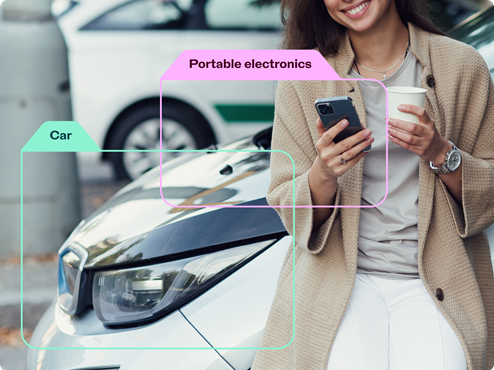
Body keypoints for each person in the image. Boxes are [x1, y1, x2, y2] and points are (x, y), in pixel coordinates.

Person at [251, 0, 494, 369]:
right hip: (345, 276)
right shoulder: (303, 76)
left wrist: (441, 152)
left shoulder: (461, 65)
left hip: (434, 276)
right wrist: (325, 172)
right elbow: (288, 205)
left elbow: (490, 191)